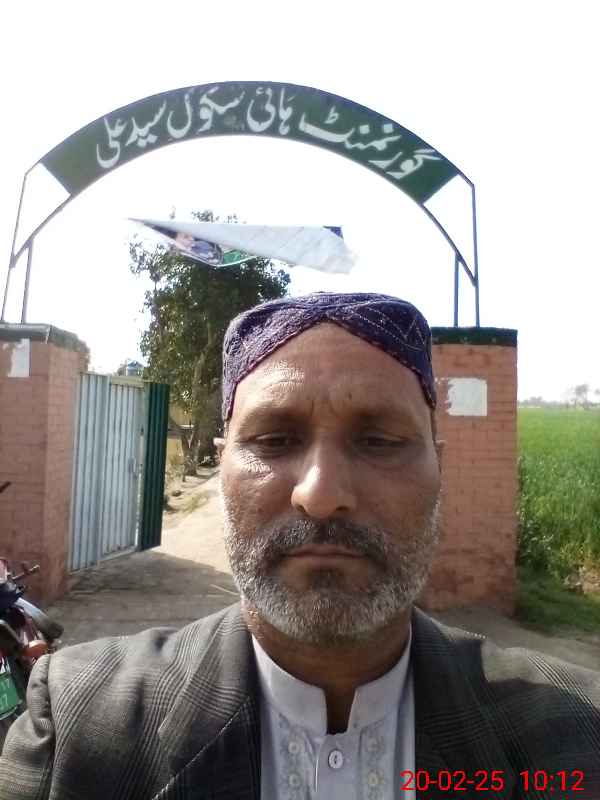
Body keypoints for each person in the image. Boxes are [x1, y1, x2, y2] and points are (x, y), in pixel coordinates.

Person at [0, 292, 598, 800]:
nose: (321, 494)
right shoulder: (80, 726)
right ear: (222, 467)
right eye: (273, 440)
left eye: (379, 441)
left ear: (438, 469)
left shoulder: (578, 734)